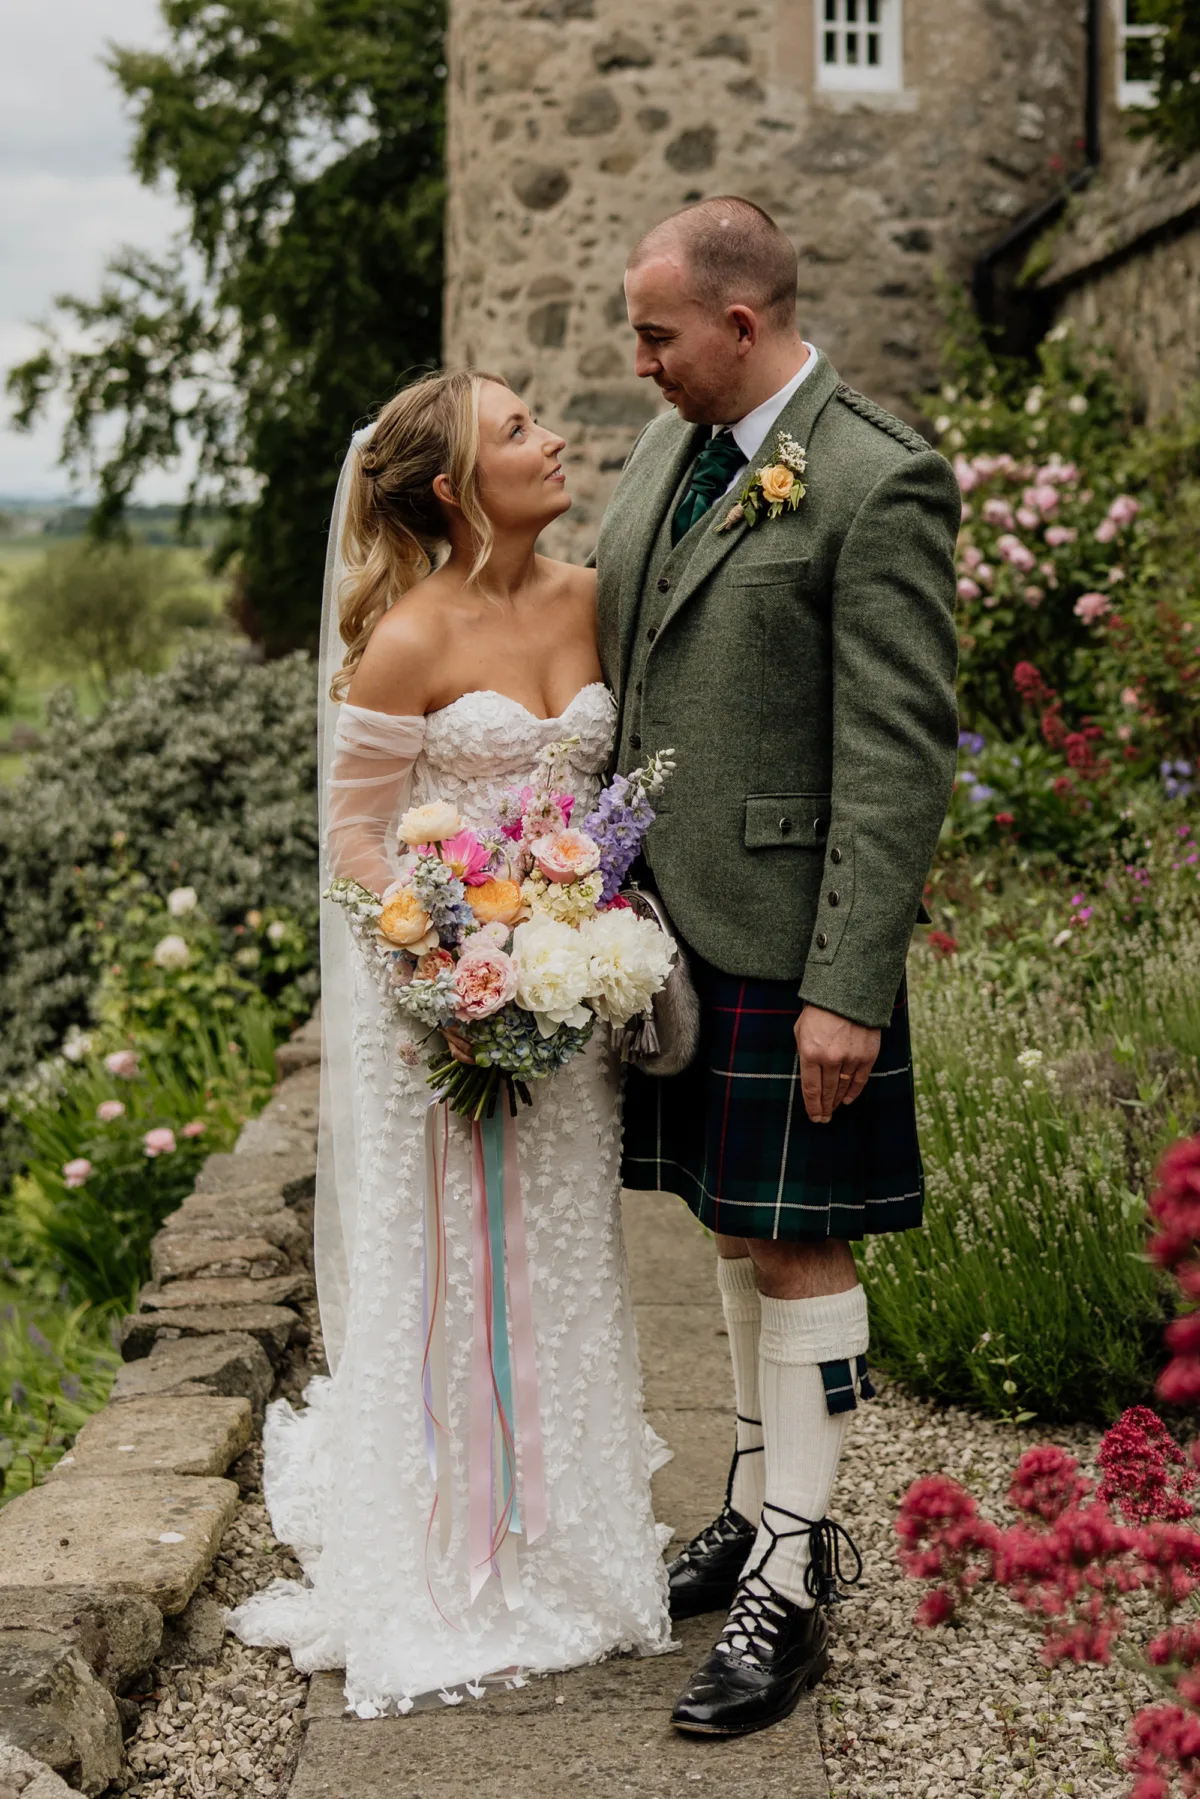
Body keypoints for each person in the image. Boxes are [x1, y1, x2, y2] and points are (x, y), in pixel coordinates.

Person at [226, 369, 672, 1714]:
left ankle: (575, 1548)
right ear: (451, 487)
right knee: (459, 1272)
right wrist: (441, 946)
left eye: (537, 418)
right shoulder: (406, 638)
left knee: (564, 1263)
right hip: (450, 1015)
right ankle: (446, 1555)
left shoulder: (597, 599)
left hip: (571, 1004)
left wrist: (576, 937)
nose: (552, 438)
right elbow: (358, 835)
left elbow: (615, 796)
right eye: (519, 429)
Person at [596, 197, 960, 1737]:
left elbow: (896, 758)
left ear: (741, 328)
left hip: (789, 934)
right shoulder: (667, 450)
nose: (640, 363)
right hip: (663, 926)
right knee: (735, 1232)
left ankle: (798, 1578)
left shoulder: (879, 479)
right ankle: (757, 1504)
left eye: (659, 335)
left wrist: (848, 986)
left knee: (805, 1247)